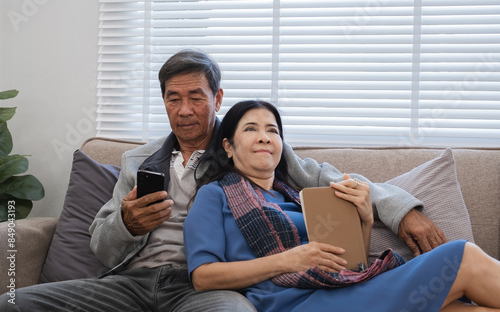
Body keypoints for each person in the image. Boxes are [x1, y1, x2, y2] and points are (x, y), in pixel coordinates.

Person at [1, 49, 441, 311]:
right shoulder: (137, 160)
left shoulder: (246, 147)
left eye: (196, 96)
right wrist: (126, 222)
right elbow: (100, 244)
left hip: (204, 285)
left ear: (217, 98)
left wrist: (404, 210)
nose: (185, 109)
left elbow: (332, 178)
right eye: (174, 99)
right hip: (129, 282)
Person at [184, 99, 500, 312]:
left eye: (273, 130)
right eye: (251, 129)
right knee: (463, 256)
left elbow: (350, 266)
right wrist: (288, 260)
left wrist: (363, 220)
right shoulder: (214, 195)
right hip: (297, 304)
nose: (265, 137)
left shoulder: (295, 196)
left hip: (340, 290)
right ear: (228, 146)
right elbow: (203, 277)